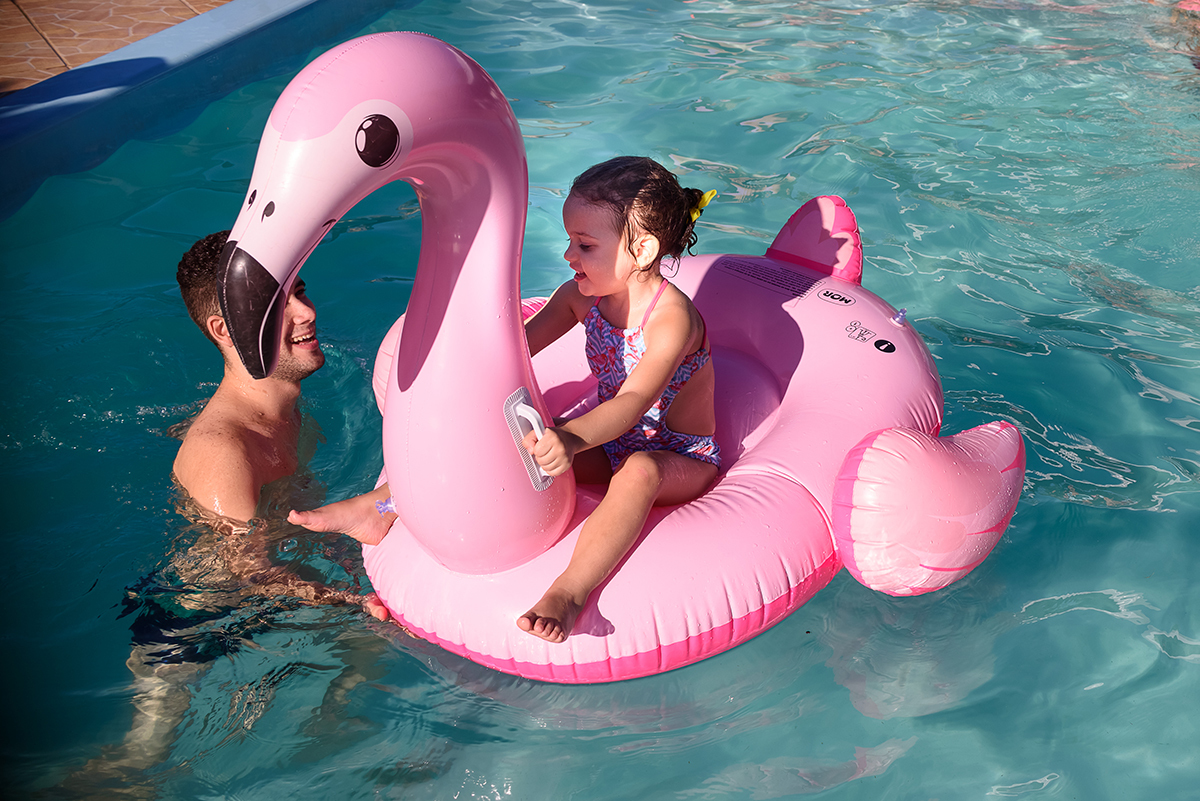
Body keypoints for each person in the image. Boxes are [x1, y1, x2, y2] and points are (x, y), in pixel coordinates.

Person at [291, 157, 720, 643]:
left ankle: (570, 592)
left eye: (584, 245)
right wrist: (458, 371)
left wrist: (573, 438)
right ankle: (384, 505)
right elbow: (514, 349)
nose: (568, 256)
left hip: (679, 455)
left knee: (640, 470)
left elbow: (635, 400)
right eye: (568, 241)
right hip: (609, 445)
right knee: (519, 434)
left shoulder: (672, 320)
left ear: (641, 249)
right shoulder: (583, 297)